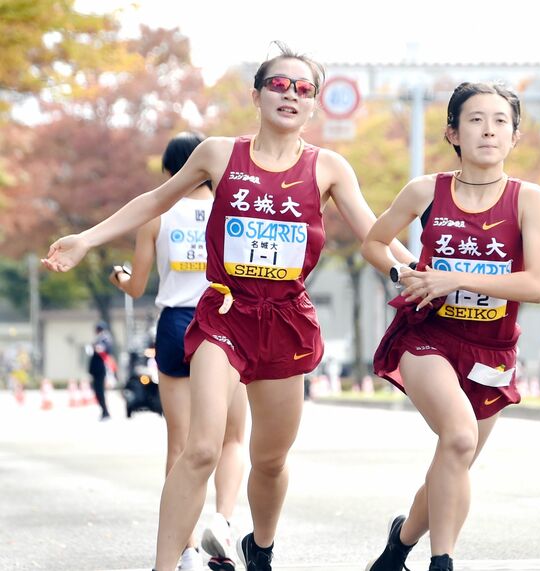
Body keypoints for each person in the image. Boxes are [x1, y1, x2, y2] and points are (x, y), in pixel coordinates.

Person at [42, 42, 413, 571]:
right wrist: (87, 239)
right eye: (279, 85)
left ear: (314, 106)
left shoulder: (329, 167)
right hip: (223, 313)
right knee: (201, 448)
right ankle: (164, 566)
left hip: (286, 319)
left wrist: (417, 273)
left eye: (304, 89)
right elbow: (155, 200)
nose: (291, 95)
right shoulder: (218, 154)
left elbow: (376, 233)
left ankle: (259, 546)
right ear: (257, 95)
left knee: (270, 459)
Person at [361, 82, 540, 571]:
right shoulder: (426, 190)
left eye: (500, 121)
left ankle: (398, 546)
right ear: (452, 132)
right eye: (475, 119)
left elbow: (536, 285)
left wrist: (452, 277)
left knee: (455, 455)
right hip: (428, 336)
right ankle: (441, 562)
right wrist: (402, 273)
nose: (488, 129)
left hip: (491, 348)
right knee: (460, 438)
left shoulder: (530, 199)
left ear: (515, 136)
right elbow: (375, 243)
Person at [109, 132, 246, 571]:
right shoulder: (231, 210)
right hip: (225, 319)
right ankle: (223, 524)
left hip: (175, 325)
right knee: (232, 437)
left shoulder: (160, 213)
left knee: (181, 444)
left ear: (171, 171)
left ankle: (185, 550)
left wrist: (120, 277)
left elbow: (137, 286)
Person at [88, 320, 115, 420]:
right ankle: (104, 411)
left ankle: (105, 411)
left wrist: (96, 347)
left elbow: (102, 350)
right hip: (96, 369)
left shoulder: (105, 338)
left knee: (100, 391)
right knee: (97, 391)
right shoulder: (99, 338)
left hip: (101, 368)